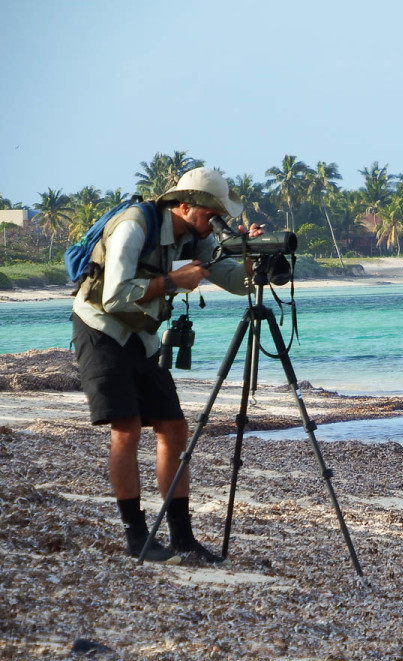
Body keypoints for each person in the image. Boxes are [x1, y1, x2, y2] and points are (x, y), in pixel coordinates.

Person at [71, 167, 265, 565]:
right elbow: (115, 297)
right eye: (210, 214)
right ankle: (136, 535)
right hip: (102, 328)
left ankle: (182, 537)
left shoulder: (192, 235)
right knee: (125, 428)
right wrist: (174, 281)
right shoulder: (134, 226)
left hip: (143, 334)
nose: (215, 223)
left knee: (174, 428)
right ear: (184, 205)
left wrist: (256, 259)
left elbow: (230, 278)